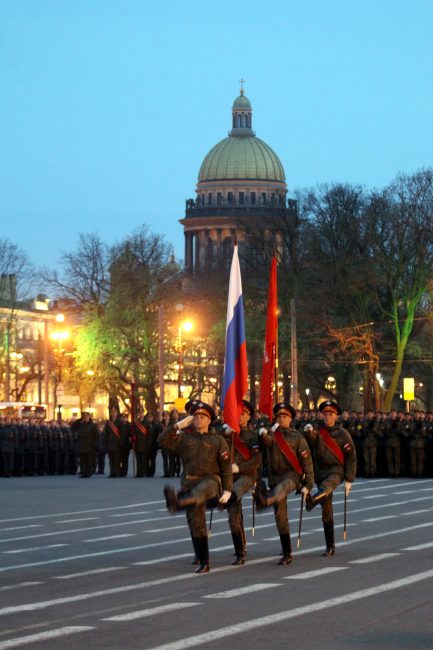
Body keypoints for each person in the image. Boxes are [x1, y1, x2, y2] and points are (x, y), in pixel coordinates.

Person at [159, 401, 232, 574]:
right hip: (190, 483)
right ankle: (204, 561)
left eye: (202, 417)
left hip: (211, 481)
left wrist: (228, 489)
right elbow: (161, 441)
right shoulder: (185, 438)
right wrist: (176, 425)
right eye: (196, 417)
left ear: (209, 420)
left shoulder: (217, 440)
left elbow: (226, 466)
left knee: (204, 488)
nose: (198, 419)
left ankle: (179, 503)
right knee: (196, 523)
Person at [254, 402, 314, 565]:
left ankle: (265, 500)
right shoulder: (272, 435)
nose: (281, 419)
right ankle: (287, 551)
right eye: (279, 416)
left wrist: (308, 484)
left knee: (283, 487)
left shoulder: (297, 437)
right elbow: (265, 443)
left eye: (285, 416)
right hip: (274, 478)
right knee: (280, 516)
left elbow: (307, 461)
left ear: (291, 419)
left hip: (292, 476)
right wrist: (263, 434)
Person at [304, 400, 356, 557]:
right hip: (320, 472)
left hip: (336, 470)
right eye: (325, 414)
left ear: (337, 416)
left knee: (327, 486)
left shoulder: (343, 434)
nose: (327, 417)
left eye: (331, 414)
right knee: (326, 510)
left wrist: (349, 479)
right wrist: (308, 432)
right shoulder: (317, 432)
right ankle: (330, 545)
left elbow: (351, 456)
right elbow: (309, 442)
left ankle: (312, 500)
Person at [221, 400, 262, 565]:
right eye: (236, 413)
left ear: (249, 417)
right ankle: (240, 549)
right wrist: (224, 433)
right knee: (233, 515)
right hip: (229, 476)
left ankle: (240, 552)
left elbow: (256, 461)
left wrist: (238, 467)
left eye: (243, 414)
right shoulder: (226, 434)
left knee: (233, 494)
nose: (239, 417)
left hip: (246, 476)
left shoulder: (253, 436)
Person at [71, 411, 99, 478]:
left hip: (89, 444)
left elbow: (96, 436)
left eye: (87, 416)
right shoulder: (81, 424)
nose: (86, 418)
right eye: (85, 417)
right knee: (82, 460)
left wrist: (95, 445)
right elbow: (73, 426)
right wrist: (80, 419)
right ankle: (83, 472)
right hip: (82, 444)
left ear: (89, 417)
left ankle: (88, 473)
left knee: (89, 460)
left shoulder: (93, 425)